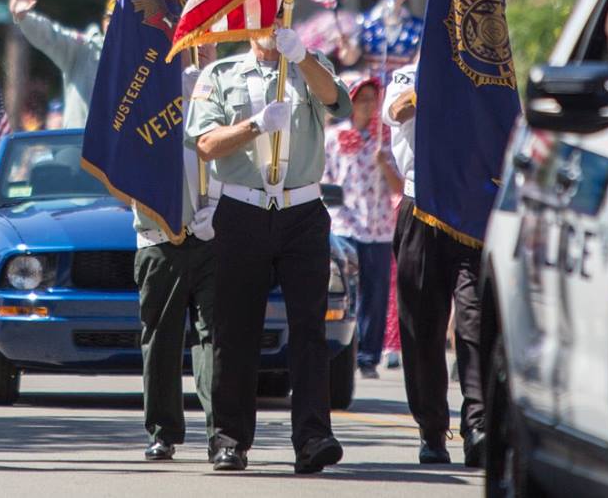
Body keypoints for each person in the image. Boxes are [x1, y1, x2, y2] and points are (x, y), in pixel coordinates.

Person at [186, 24, 351, 475]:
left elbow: (338, 101)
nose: (269, 28)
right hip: (243, 210)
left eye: (277, 16)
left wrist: (301, 58)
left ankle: (313, 436)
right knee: (235, 331)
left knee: (309, 330)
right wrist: (255, 125)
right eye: (260, 17)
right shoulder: (219, 74)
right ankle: (230, 440)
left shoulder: (309, 66)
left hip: (302, 210)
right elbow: (204, 143)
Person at [387, 53, 483, 466]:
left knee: (474, 317)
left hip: (470, 208)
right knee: (422, 324)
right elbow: (398, 110)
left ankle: (478, 423)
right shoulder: (408, 73)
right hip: (421, 203)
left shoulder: (485, 66)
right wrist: (441, 78)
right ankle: (431, 429)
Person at [135, 43, 220, 462]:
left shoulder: (222, 84)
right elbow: (128, 166)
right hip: (159, 235)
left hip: (213, 233)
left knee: (216, 339)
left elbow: (240, 156)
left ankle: (222, 434)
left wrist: (218, 208)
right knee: (162, 341)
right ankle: (163, 431)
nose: (203, 43)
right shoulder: (142, 92)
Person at [325, 76, 400, 380]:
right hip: (344, 225)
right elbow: (325, 180)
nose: (368, 105)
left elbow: (398, 185)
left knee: (376, 293)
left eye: (373, 99)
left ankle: (368, 355)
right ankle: (341, 352)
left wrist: (384, 163)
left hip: (379, 226)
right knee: (345, 292)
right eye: (362, 99)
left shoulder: (386, 140)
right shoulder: (333, 138)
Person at [9, 0, 103, 128]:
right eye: (111, 16)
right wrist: (23, 17)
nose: (115, 22)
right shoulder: (85, 48)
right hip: (79, 145)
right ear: (104, 20)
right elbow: (50, 36)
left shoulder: (144, 54)